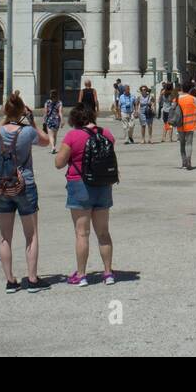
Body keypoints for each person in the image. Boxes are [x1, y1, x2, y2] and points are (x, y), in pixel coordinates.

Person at [0, 94, 51, 293]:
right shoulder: (26, 133)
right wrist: (31, 121)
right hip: (25, 184)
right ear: (22, 111)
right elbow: (46, 140)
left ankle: (10, 281)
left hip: (0, 185)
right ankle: (32, 279)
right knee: (31, 235)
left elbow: (0, 126)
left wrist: (7, 117)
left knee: (4, 237)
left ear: (5, 111)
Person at [54, 103, 117, 286]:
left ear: (75, 118)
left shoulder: (73, 135)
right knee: (103, 232)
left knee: (82, 233)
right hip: (103, 185)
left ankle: (81, 275)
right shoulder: (106, 134)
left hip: (79, 185)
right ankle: (108, 273)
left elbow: (59, 163)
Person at [176, 81, 196, 170]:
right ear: (190, 89)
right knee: (189, 143)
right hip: (190, 123)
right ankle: (189, 160)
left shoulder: (177, 98)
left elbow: (173, 107)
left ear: (182, 89)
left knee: (182, 144)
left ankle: (183, 162)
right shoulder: (192, 98)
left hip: (180, 124)